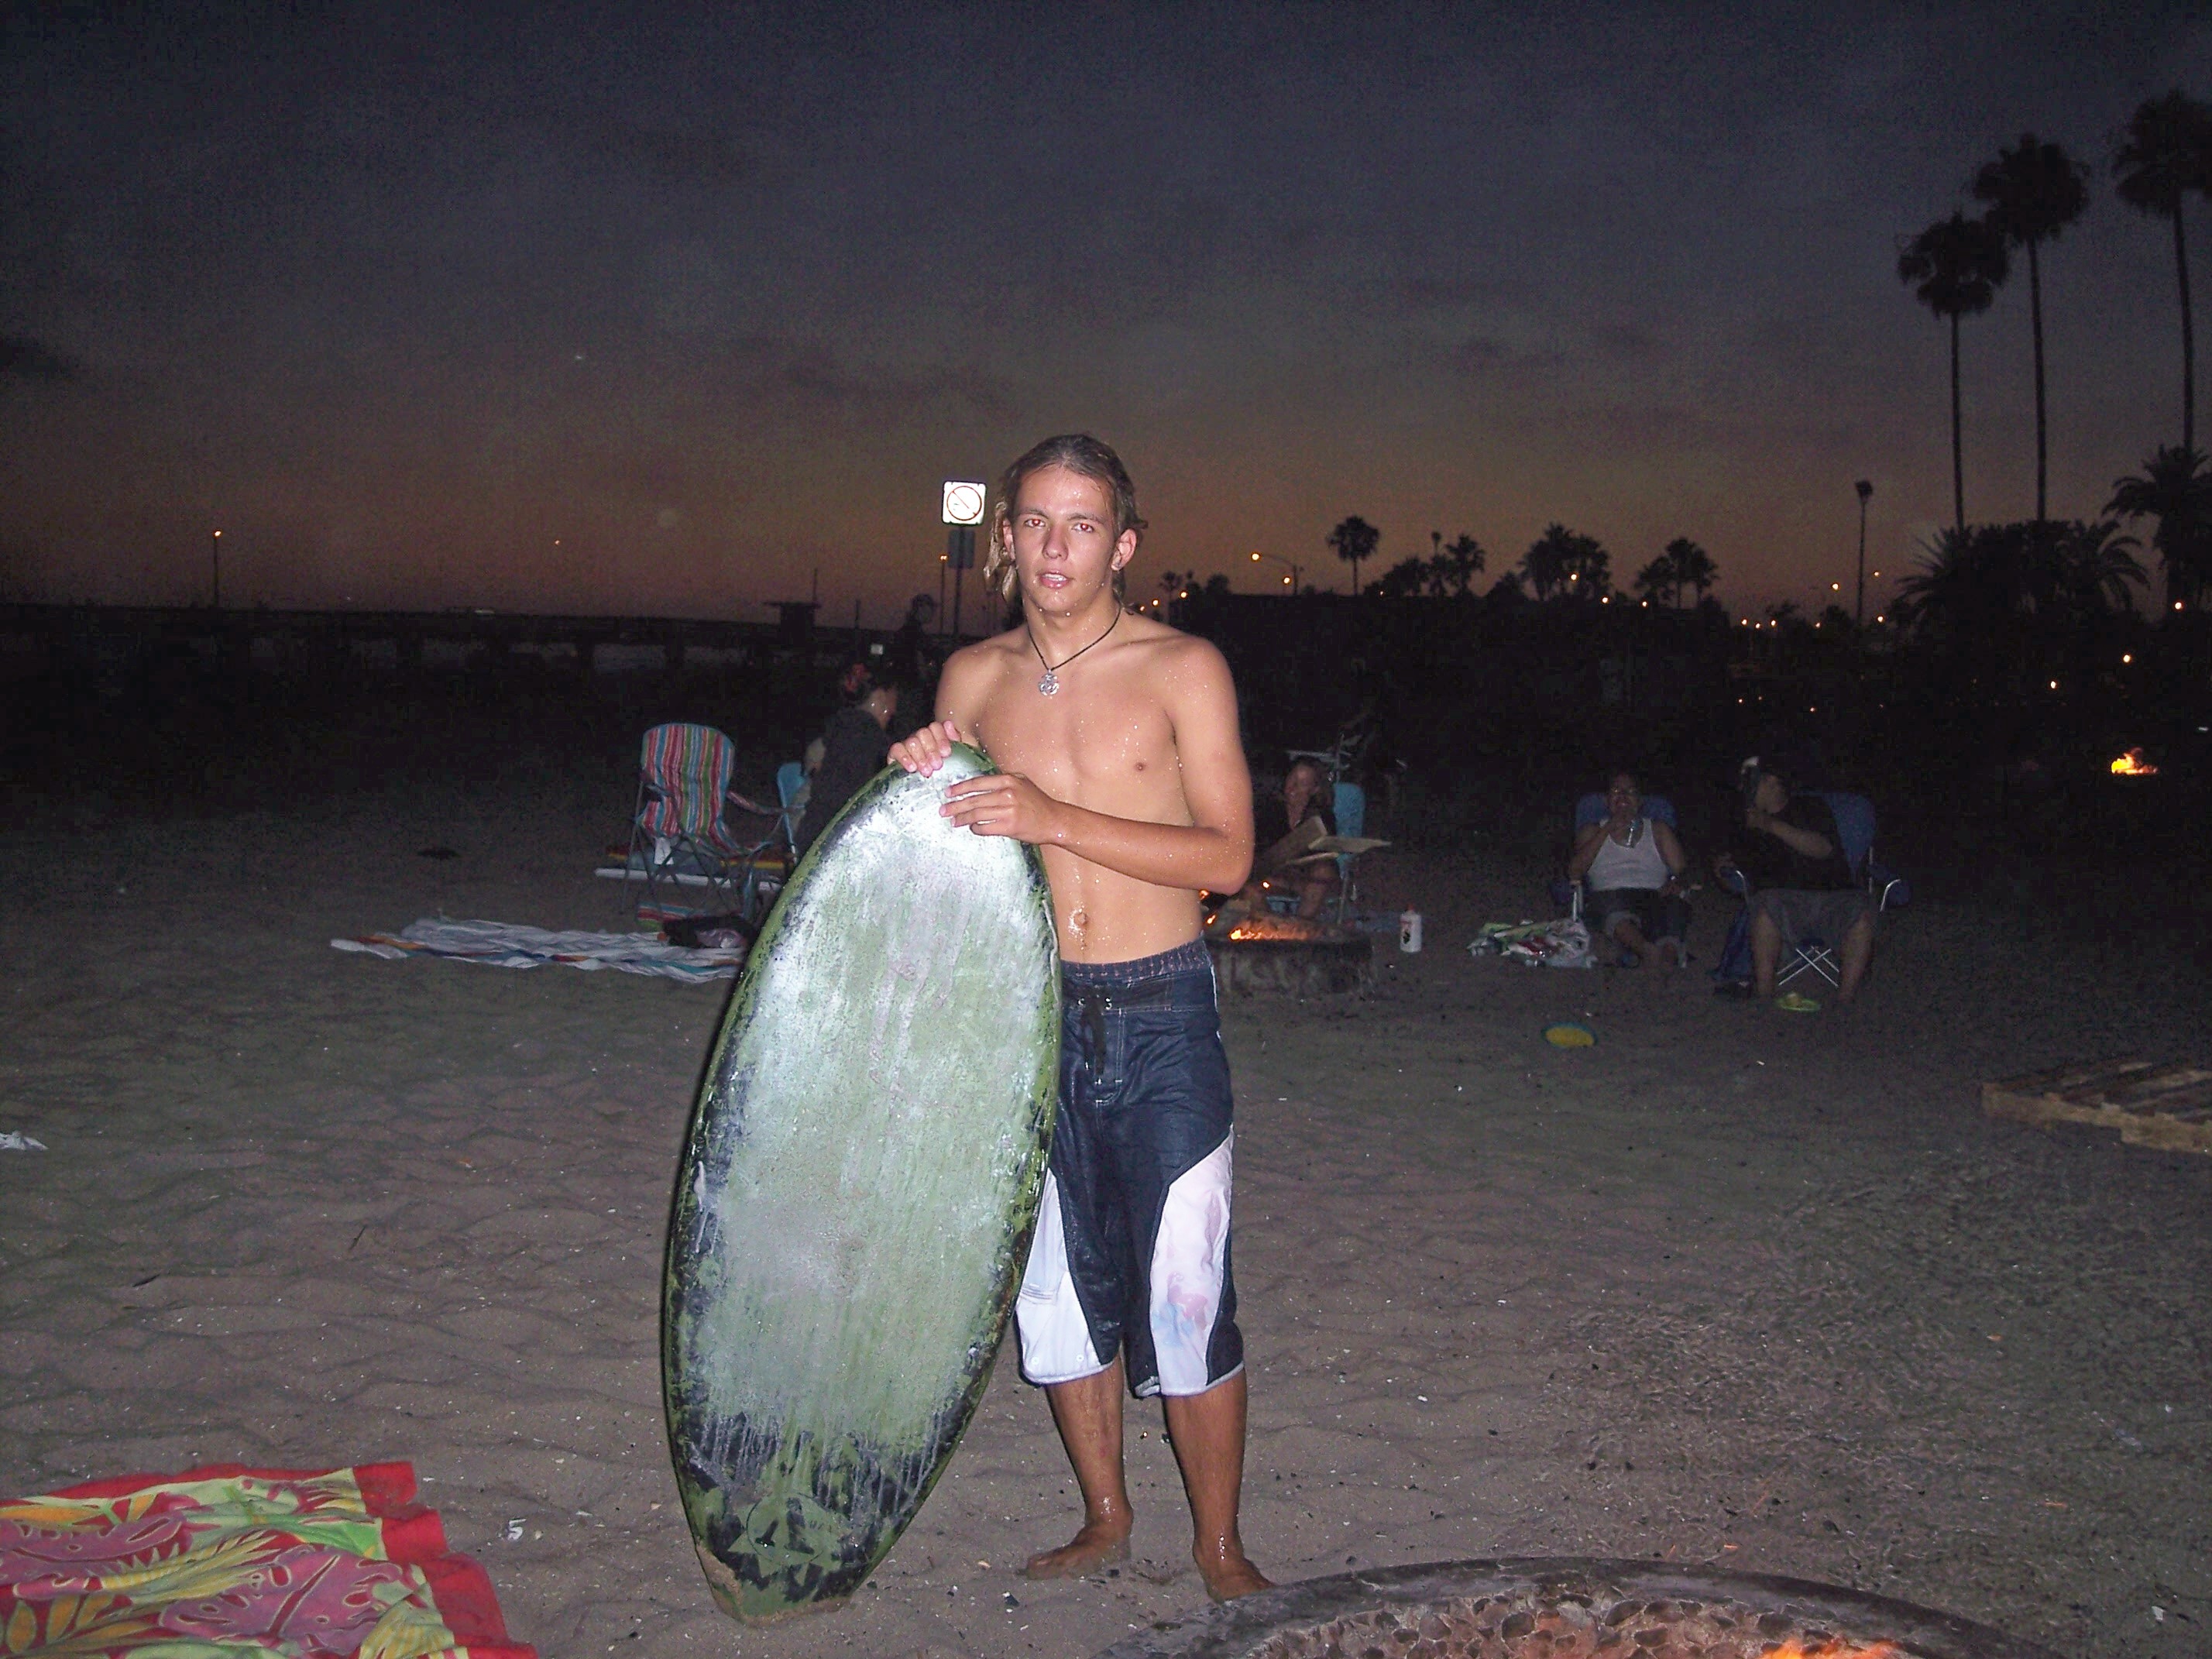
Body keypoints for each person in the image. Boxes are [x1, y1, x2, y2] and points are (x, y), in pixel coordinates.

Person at [888, 433, 1269, 1602]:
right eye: (1036, 523)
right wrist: (912, 775)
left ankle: (1218, 1544)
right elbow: (950, 853)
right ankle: (1105, 1512)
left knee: (1184, 1279)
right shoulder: (970, 678)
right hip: (1028, 1011)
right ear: (1004, 536)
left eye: (1084, 524)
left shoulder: (1182, 666)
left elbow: (1231, 856)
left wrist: (1056, 814)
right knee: (1055, 1282)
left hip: (1160, 1005)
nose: (1057, 547)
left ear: (1125, 543)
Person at [1715, 758, 1875, 1006]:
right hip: (1782, 901)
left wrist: (1770, 825)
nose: (1742, 789)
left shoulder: (1810, 807)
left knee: (1861, 911)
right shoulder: (1745, 823)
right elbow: (1739, 880)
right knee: (1765, 908)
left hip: (1834, 895)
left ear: (1771, 782)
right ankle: (1765, 995)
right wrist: (1721, 873)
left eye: (1749, 782)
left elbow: (1822, 848)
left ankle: (1846, 999)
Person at [1565, 771, 1690, 967]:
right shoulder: (1592, 830)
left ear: (1639, 801)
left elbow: (1682, 870)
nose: (1623, 796)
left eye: (1630, 792)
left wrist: (1677, 882)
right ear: (1607, 801)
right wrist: (1607, 830)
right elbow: (1574, 872)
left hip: (1654, 896)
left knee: (1675, 905)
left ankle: (1667, 957)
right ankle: (1648, 952)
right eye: (1616, 791)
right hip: (1610, 896)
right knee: (1609, 908)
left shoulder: (1658, 829)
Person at [795, 674, 899, 857]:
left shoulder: (835, 732)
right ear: (879, 699)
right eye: (893, 700)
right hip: (834, 845)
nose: (894, 710)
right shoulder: (870, 741)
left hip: (812, 836)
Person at [1240, 757, 1339, 919]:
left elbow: (1324, 852)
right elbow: (1259, 850)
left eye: (1301, 783)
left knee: (1324, 871)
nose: (1292, 788)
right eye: (1291, 780)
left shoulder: (1321, 816)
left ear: (1314, 789)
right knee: (1249, 887)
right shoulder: (1269, 809)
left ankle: (1301, 926)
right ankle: (1273, 930)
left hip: (1306, 876)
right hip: (1273, 873)